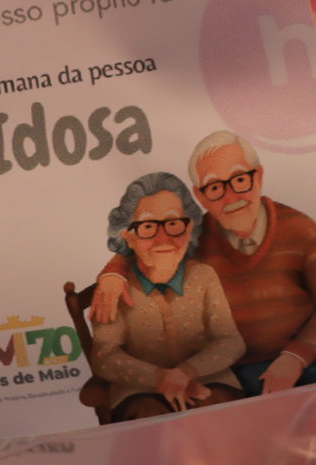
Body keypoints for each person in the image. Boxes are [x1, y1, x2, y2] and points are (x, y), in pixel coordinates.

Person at [91, 131, 316, 397]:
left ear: (258, 177)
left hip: (308, 358)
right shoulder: (195, 235)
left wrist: (295, 357)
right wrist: (114, 272)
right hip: (234, 367)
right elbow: (150, 244)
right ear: (200, 195)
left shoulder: (299, 227)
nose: (231, 198)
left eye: (240, 180)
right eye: (215, 187)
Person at [87, 173, 244, 420]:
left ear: (189, 228)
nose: (163, 238)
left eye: (173, 224)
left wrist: (186, 373)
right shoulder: (113, 288)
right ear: (128, 235)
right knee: (148, 418)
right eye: (148, 227)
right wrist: (160, 378)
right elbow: (105, 357)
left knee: (217, 412)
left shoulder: (203, 276)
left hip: (208, 381)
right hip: (139, 391)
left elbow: (230, 341)